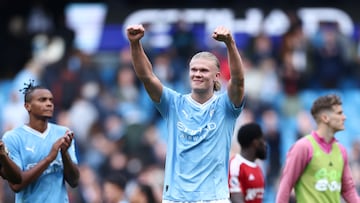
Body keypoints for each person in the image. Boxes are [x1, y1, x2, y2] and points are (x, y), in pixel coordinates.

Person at [126, 24, 245, 202]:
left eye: (204, 70)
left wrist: (230, 44)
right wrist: (135, 44)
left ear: (216, 77)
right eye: (194, 69)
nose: (197, 74)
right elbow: (147, 76)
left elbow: (238, 81)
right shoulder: (173, 103)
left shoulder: (225, 106)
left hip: (213, 198)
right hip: (176, 198)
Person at [2, 80, 80, 203]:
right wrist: (49, 158)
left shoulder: (63, 133)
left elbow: (74, 181)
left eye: (51, 100)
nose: (49, 104)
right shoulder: (13, 137)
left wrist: (64, 154)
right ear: (27, 106)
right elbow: (16, 185)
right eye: (42, 100)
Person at [276, 94, 360, 203]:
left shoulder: (341, 150)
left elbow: (348, 190)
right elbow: (285, 187)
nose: (344, 117)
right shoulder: (303, 147)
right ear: (325, 118)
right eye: (339, 113)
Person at [228, 122, 267, 203]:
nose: (265, 145)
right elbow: (236, 199)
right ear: (255, 143)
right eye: (263, 140)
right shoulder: (236, 165)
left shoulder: (258, 168)